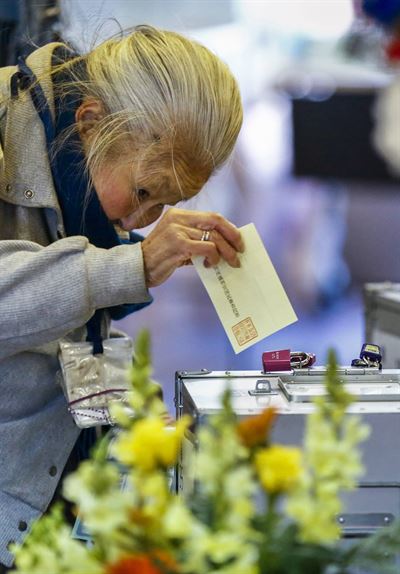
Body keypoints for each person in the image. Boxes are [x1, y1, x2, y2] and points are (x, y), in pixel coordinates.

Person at [0, 24, 244, 571]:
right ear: (90, 123)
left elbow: (67, 338)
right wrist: (129, 264)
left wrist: (142, 421)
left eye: (167, 203)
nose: (139, 220)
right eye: (142, 191)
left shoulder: (77, 178)